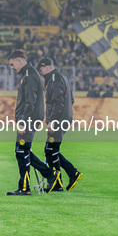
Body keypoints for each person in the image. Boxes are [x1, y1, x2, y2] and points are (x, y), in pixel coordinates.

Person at [6, 50, 59, 196]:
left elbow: (30, 102)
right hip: (30, 118)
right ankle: (49, 174)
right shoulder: (28, 74)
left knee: (21, 151)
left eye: (12, 64)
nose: (11, 67)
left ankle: (25, 188)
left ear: (20, 61)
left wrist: (22, 121)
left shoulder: (29, 76)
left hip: (29, 119)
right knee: (23, 150)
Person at [37, 58, 83, 192]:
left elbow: (57, 102)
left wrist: (53, 120)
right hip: (64, 118)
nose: (41, 74)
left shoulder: (54, 80)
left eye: (41, 71)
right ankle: (71, 174)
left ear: (45, 67)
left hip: (58, 120)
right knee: (51, 149)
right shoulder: (61, 77)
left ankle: (58, 182)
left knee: (50, 149)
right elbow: (71, 99)